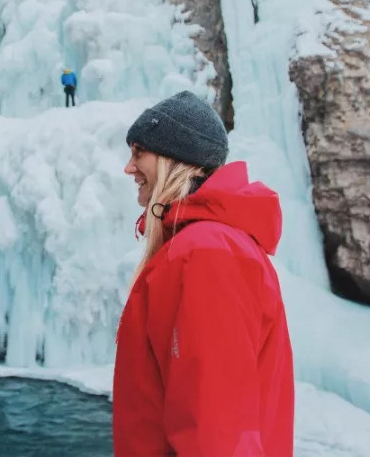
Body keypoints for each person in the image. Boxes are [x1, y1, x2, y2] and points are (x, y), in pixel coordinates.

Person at [113, 91, 294, 456]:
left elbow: (217, 432)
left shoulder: (207, 253)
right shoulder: (198, 246)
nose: (128, 168)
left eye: (138, 152)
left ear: (171, 158)